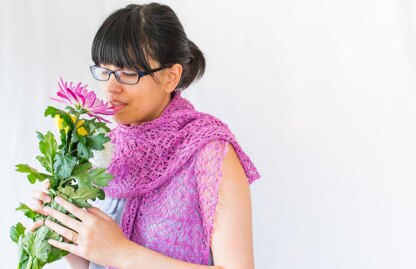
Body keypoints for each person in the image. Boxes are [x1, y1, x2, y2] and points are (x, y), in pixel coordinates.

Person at [30, 3, 260, 269]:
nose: (110, 88)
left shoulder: (210, 152)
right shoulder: (105, 148)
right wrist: (66, 229)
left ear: (170, 77)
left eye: (128, 73)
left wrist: (121, 253)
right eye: (104, 71)